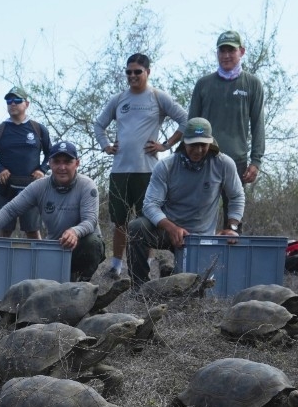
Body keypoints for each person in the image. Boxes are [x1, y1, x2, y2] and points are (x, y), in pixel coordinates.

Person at [94, 54, 188, 277]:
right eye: (129, 72)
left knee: (146, 222)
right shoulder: (119, 99)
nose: (133, 76)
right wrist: (106, 145)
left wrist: (165, 145)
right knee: (120, 221)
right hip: (120, 171)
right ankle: (116, 266)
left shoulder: (157, 97)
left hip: (148, 171)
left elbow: (185, 120)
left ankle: (144, 267)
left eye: (137, 71)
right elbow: (99, 125)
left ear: (148, 72)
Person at [125, 118, 244, 287]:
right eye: (193, 145)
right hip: (168, 230)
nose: (199, 149)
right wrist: (171, 227)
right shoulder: (166, 166)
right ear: (184, 142)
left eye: (203, 144)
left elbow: (237, 196)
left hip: (201, 237)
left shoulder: (224, 164)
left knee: (195, 286)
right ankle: (140, 288)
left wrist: (232, 227)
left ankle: (169, 273)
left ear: (211, 142)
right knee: (137, 227)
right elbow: (150, 204)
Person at [0, 141, 103, 282]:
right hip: (57, 247)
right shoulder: (39, 186)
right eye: (57, 162)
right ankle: (67, 275)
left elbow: (90, 220)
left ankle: (84, 282)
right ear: (50, 163)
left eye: (67, 162)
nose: (62, 167)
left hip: (82, 245)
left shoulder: (87, 185)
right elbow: (10, 210)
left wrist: (75, 232)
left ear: (77, 163)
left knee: (92, 242)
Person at [189, 31, 265, 192]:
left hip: (237, 161)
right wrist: (188, 155)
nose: (226, 55)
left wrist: (256, 161)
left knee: (234, 213)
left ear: (241, 52)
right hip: (204, 158)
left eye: (231, 50)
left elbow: (258, 124)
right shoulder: (203, 84)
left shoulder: (252, 84)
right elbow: (191, 124)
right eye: (222, 51)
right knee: (200, 213)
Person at [0, 86, 52, 238]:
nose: (12, 103)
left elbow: (51, 154)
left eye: (17, 100)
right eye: (9, 100)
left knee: (32, 231)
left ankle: (38, 262)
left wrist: (42, 169)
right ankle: (1, 261)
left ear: (26, 104)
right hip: (6, 188)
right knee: (4, 229)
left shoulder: (38, 129)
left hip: (31, 188)